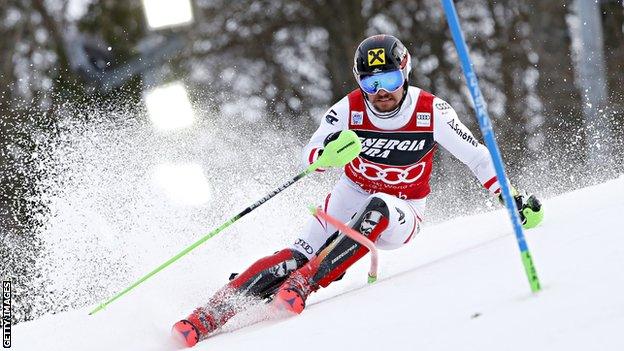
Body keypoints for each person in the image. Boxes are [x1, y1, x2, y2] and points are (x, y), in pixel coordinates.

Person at [171, 34, 544, 347]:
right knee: (292, 256)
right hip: (351, 193)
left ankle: (305, 284)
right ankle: (204, 317)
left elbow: (478, 158)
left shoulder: (432, 111)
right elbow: (309, 154)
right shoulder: (347, 110)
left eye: (390, 81)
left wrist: (509, 199)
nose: (381, 93)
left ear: (405, 73)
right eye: (370, 83)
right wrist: (325, 154)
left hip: (404, 211)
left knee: (379, 204)